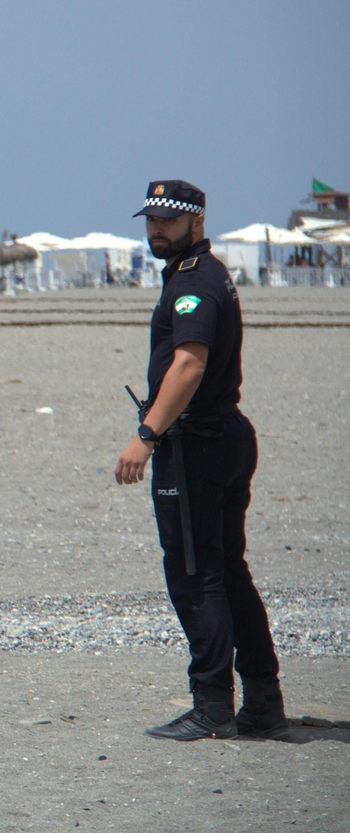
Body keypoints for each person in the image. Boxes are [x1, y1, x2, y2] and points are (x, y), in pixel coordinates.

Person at [115, 180, 286, 741]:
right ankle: (263, 699)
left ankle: (212, 703)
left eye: (169, 218)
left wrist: (146, 434)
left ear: (198, 219)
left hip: (199, 444)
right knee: (227, 569)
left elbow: (189, 365)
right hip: (224, 436)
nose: (156, 228)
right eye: (151, 219)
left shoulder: (196, 281)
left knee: (197, 573)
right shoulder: (198, 276)